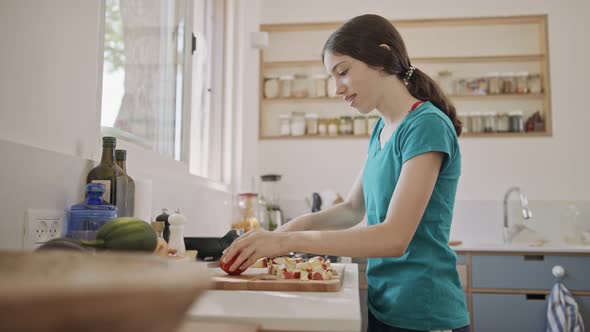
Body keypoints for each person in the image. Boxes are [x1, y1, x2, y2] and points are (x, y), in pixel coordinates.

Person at [221, 14, 469, 332]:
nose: (337, 88)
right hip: (384, 305)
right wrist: (274, 237)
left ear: (381, 58)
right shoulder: (383, 128)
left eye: (343, 72)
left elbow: (395, 238)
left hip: (425, 311)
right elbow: (350, 210)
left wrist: (284, 243)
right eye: (332, 77)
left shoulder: (426, 125)